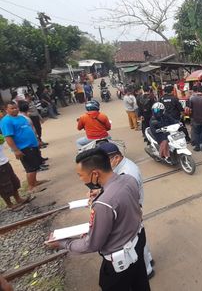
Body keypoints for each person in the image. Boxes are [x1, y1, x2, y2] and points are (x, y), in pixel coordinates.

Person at [46, 148, 151, 291]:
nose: (81, 179)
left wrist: (63, 243)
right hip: (138, 242)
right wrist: (102, 191)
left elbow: (92, 244)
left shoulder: (103, 204)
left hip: (119, 262)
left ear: (95, 173)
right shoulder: (128, 179)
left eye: (81, 175)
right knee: (140, 284)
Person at [97, 142, 155, 278]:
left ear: (116, 158)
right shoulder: (120, 167)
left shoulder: (128, 173)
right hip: (131, 208)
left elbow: (127, 197)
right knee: (138, 238)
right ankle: (148, 260)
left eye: (104, 162)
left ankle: (147, 270)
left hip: (132, 208)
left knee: (134, 240)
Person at [0, 102, 46, 192]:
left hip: (32, 145)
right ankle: (31, 187)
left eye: (16, 107)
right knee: (30, 168)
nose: (15, 109)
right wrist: (16, 150)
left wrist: (37, 140)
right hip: (24, 148)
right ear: (6, 110)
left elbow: (29, 129)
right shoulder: (6, 121)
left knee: (36, 165)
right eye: (12, 108)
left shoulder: (21, 117)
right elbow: (8, 137)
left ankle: (35, 182)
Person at [0, 122, 31, 209]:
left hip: (4, 162)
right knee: (4, 185)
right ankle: (9, 204)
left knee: (13, 181)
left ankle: (18, 199)